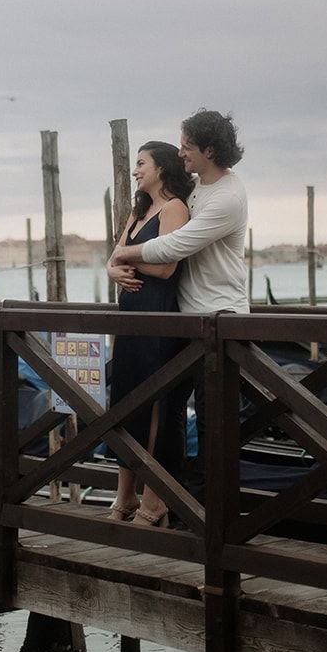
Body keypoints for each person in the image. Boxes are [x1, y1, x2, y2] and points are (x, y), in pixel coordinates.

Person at [109, 108, 248, 505]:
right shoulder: (199, 190)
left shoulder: (228, 198)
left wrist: (121, 255)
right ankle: (183, 505)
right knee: (163, 409)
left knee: (213, 422)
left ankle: (213, 517)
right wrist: (113, 263)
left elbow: (172, 250)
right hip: (188, 317)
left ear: (209, 148)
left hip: (221, 318)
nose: (181, 152)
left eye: (187, 145)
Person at [105, 141, 194, 528]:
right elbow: (114, 257)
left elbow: (166, 268)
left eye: (142, 163)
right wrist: (114, 269)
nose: (136, 170)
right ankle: (124, 498)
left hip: (159, 319)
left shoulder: (175, 208)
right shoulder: (138, 210)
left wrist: (125, 260)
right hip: (130, 320)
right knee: (126, 406)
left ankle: (155, 503)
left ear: (162, 167)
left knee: (156, 408)